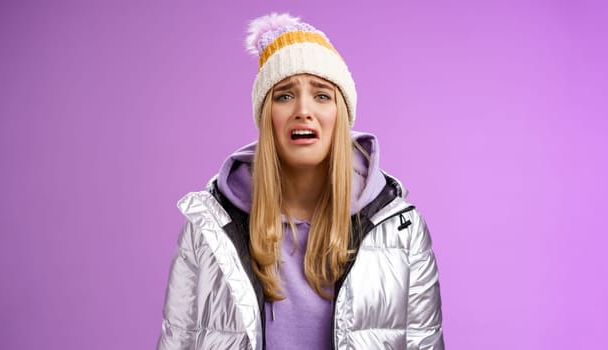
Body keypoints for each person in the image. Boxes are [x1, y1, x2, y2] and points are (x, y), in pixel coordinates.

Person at [157, 12, 444, 350]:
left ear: (341, 116)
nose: (303, 110)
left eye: (322, 95)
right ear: (267, 117)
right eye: (284, 95)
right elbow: (178, 341)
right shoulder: (208, 227)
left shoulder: (401, 229)